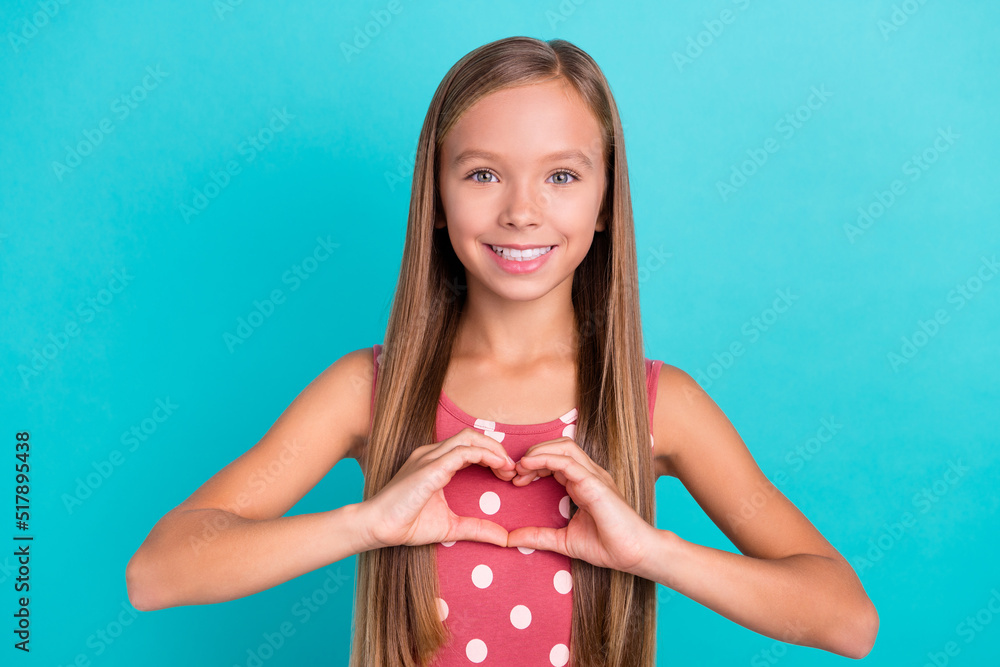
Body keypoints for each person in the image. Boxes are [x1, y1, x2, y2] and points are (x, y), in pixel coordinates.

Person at [126, 36, 878, 667]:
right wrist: (365, 523)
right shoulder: (370, 390)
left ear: (606, 200)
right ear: (439, 195)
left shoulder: (659, 405)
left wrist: (650, 550)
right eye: (483, 173)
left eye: (561, 175)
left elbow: (846, 620)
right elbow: (159, 571)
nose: (522, 210)